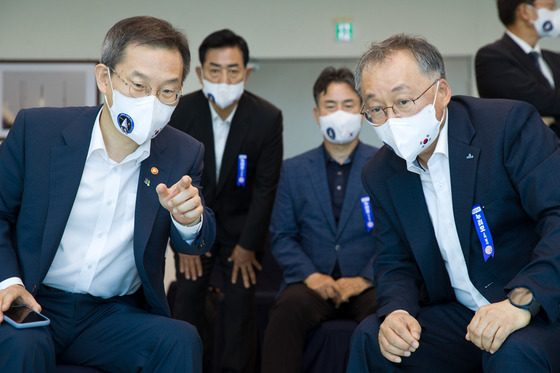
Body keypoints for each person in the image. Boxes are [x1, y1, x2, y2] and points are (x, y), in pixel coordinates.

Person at [0, 16, 216, 373]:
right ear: (105, 79)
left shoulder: (183, 152)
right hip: (35, 301)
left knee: (181, 340)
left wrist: (191, 221)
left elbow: (196, 243)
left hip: (112, 316)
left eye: (167, 91)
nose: (152, 102)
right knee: (23, 343)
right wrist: (8, 281)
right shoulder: (38, 131)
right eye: (138, 85)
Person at [347, 34, 560, 373]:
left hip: (536, 306)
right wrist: (397, 312)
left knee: (512, 353)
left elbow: (557, 215)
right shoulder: (380, 172)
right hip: (462, 314)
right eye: (375, 109)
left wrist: (522, 302)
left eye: (402, 101)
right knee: (373, 338)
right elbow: (393, 260)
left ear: (441, 93)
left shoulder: (506, 126)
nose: (392, 120)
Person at [168, 29, 283, 373]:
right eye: (214, 70)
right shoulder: (180, 111)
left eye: (233, 70)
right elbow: (171, 180)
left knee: (239, 307)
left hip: (242, 230)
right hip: (193, 223)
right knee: (188, 304)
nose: (224, 78)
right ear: (201, 73)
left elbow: (266, 188)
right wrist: (186, 242)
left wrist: (248, 245)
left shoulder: (267, 117)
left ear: (246, 73)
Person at [260, 67, 378, 373]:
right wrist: (312, 276)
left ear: (363, 111)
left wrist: (365, 278)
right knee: (286, 310)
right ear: (317, 114)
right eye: (330, 106)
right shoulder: (292, 170)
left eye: (348, 105)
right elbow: (282, 235)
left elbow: (396, 236)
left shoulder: (384, 167)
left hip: (368, 284)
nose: (339, 114)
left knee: (388, 312)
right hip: (311, 283)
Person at [475, 0, 560, 136]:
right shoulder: (492, 56)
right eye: (550, 6)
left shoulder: (554, 59)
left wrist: (551, 119)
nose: (556, 12)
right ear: (526, 11)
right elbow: (535, 100)